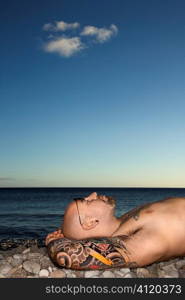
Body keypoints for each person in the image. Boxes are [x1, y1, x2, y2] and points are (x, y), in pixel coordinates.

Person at [45, 192, 185, 270]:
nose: (93, 194)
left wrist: (65, 233)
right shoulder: (140, 240)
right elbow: (67, 256)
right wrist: (53, 242)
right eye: (87, 201)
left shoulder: (124, 221)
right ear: (90, 223)